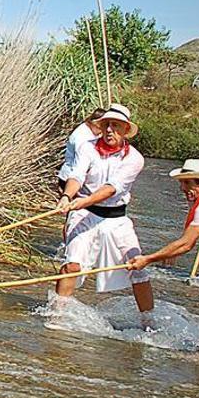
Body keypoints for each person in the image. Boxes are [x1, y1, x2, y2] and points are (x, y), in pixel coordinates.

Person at [56, 103, 155, 322]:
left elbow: (111, 189)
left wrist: (82, 202)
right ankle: (57, 315)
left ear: (125, 130)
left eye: (115, 126)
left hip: (116, 218)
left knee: (137, 266)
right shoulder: (87, 147)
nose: (109, 130)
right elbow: (77, 176)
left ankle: (149, 322)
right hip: (84, 213)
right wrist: (67, 197)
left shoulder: (135, 159)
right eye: (106, 125)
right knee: (72, 263)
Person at [127, 159, 199, 353]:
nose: (182, 188)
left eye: (187, 183)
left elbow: (187, 243)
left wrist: (148, 259)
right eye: (181, 182)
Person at [57, 108, 105, 192]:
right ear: (94, 123)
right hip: (71, 177)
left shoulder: (90, 131)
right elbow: (81, 163)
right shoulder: (82, 137)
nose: (101, 132)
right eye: (100, 128)